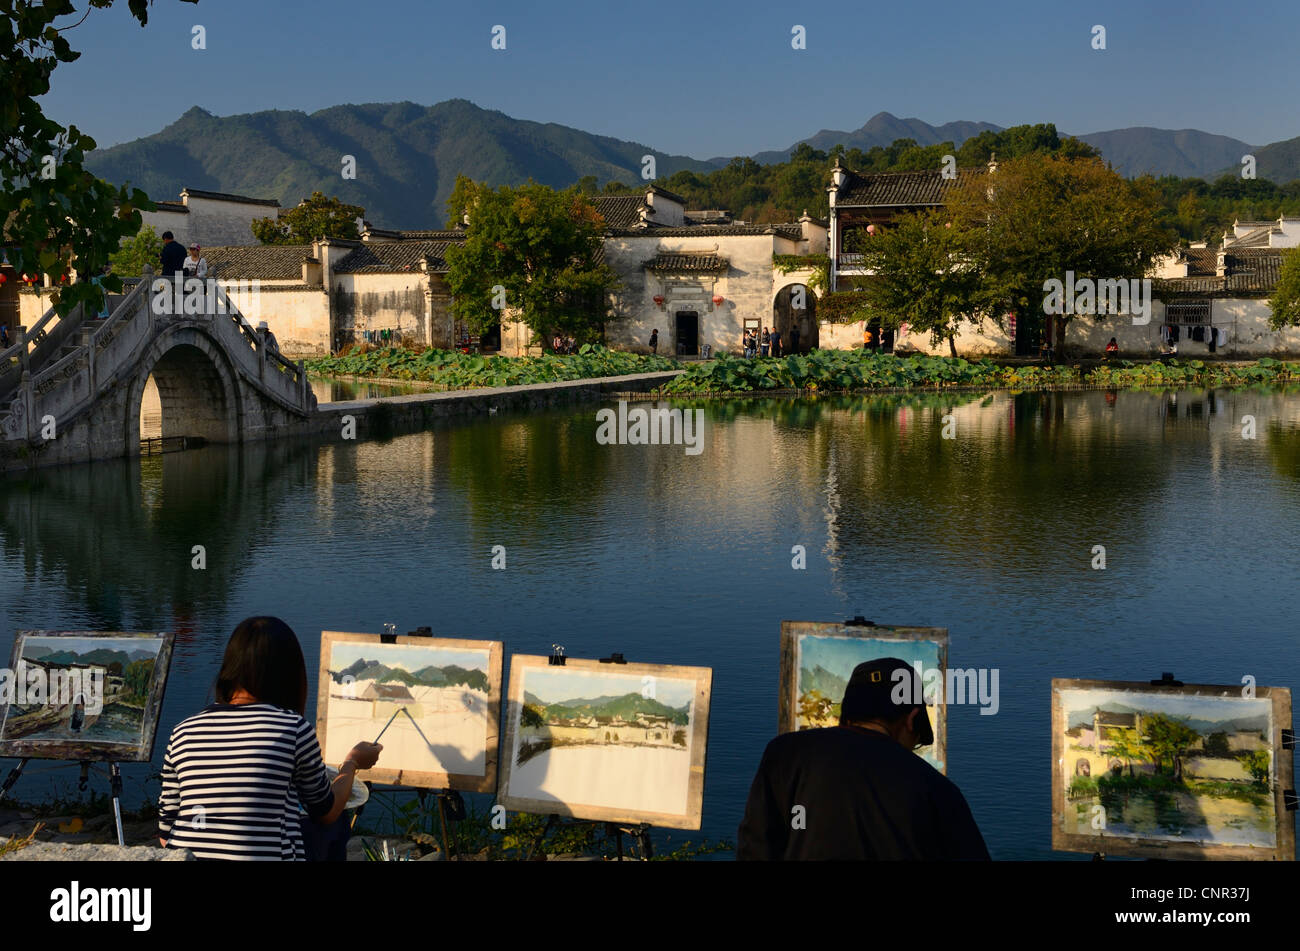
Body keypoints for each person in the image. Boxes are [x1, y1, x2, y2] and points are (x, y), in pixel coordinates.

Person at [157, 617, 383, 860]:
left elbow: (165, 832)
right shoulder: (292, 728)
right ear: (290, 674)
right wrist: (351, 764)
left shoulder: (183, 730)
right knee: (333, 824)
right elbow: (325, 810)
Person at [737, 657, 989, 861]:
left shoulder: (785, 754)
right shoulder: (938, 789)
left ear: (846, 713)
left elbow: (756, 848)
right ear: (911, 719)